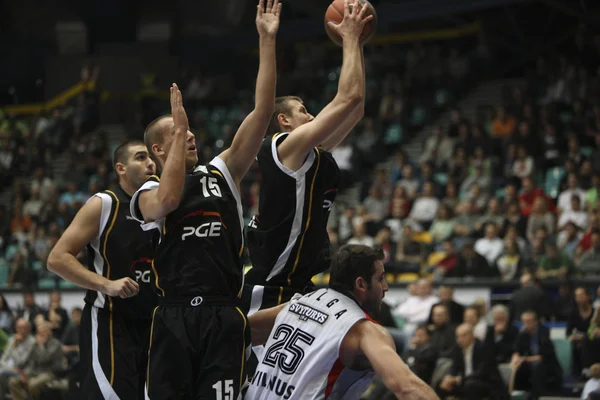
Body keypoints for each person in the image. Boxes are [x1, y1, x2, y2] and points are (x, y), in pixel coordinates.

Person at [130, 1, 281, 398]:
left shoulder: (222, 172)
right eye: (181, 132)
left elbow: (263, 113)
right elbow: (169, 198)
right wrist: (177, 131)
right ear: (158, 150)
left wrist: (267, 39)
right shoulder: (146, 192)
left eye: (190, 129)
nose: (191, 134)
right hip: (174, 315)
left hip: (223, 313)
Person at [243, 0, 370, 314]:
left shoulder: (313, 154)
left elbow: (357, 108)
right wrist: (350, 38)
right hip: (270, 286)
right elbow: (348, 97)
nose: (312, 115)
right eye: (303, 111)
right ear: (284, 121)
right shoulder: (285, 147)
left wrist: (358, 44)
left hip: (299, 285)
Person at [246, 244, 438, 399]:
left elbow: (238, 334)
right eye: (381, 279)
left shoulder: (296, 303)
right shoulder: (363, 330)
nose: (386, 287)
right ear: (361, 284)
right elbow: (407, 388)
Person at [47, 139, 157, 399]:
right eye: (141, 158)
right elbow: (57, 258)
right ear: (121, 168)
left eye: (151, 157)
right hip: (110, 320)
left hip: (155, 322)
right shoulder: (104, 204)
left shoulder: (165, 206)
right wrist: (107, 284)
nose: (150, 163)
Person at [437, 323, 509, 400]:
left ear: (472, 335)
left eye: (463, 336)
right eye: (458, 337)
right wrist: (449, 377)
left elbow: (481, 373)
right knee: (441, 384)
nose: (460, 339)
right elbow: (454, 366)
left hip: (487, 384)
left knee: (470, 385)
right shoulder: (458, 349)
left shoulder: (483, 348)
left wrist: (458, 379)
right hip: (466, 382)